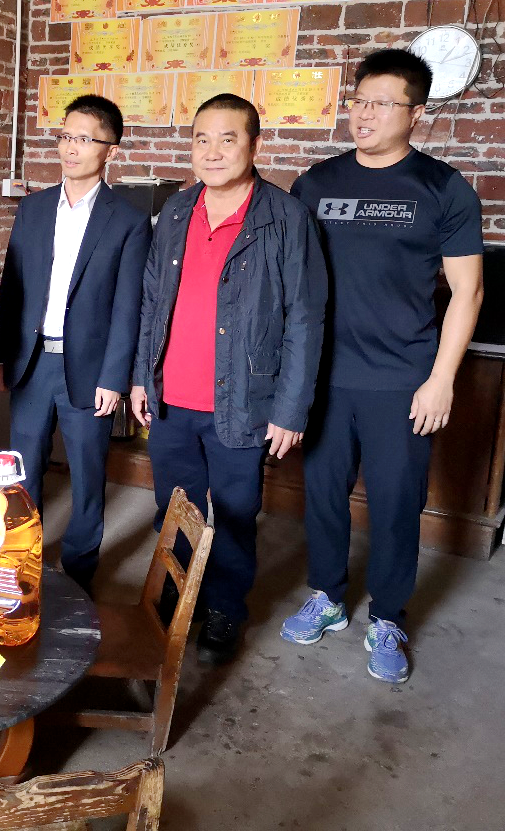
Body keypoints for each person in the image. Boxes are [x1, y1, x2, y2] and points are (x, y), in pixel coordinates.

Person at [279, 48, 484, 684]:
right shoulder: (317, 184)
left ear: (416, 113)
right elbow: (290, 281)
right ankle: (327, 596)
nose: (364, 114)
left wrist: (441, 379)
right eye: (358, 100)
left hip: (402, 378)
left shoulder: (442, 188)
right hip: (325, 376)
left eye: (382, 104)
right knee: (322, 496)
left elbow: (469, 291)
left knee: (396, 502)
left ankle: (389, 615)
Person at [130, 94, 326, 663]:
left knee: (236, 512)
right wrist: (142, 377)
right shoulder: (175, 210)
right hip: (171, 397)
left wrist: (290, 409)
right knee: (175, 506)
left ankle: (224, 607)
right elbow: (151, 301)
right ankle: (176, 591)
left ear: (255, 145)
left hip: (242, 400)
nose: (212, 152)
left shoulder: (285, 218)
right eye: (201, 139)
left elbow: (305, 318)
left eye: (228, 139)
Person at [0, 95, 151, 592]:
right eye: (65, 136)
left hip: (90, 369)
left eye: (84, 138)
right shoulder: (34, 208)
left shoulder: (127, 220)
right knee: (22, 470)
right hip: (33, 361)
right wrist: (1, 355)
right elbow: (13, 287)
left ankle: (80, 573)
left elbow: (129, 305)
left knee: (86, 475)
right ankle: (23, 562)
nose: (70, 148)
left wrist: (115, 377)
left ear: (111, 150)